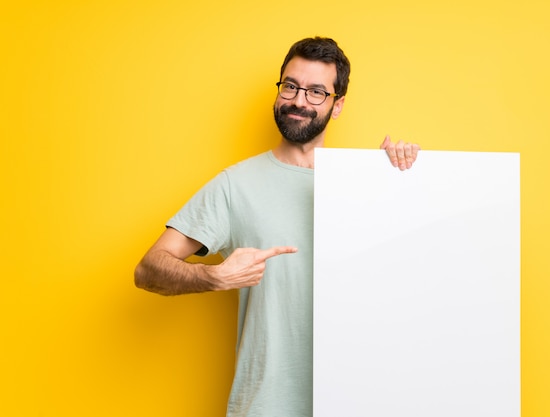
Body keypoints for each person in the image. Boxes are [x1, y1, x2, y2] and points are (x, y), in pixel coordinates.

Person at [134, 36, 420, 417]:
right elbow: (148, 269)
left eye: (317, 91)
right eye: (290, 86)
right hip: (266, 407)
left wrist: (406, 179)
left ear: (338, 105)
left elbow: (420, 278)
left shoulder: (370, 184)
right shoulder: (236, 186)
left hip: (361, 402)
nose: (299, 101)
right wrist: (213, 276)